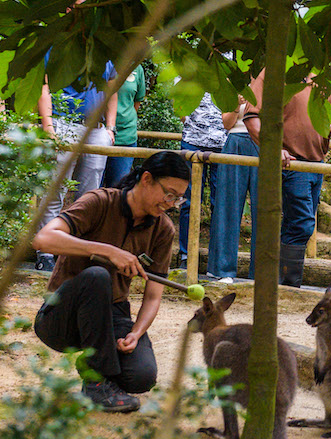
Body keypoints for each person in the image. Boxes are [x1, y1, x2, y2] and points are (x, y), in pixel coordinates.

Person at [32, 151, 191, 412]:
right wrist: (107, 251)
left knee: (141, 376)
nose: (171, 203)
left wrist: (136, 333)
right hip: (61, 315)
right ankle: (96, 383)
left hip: (112, 313)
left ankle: (97, 364)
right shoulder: (100, 201)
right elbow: (44, 240)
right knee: (97, 276)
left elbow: (153, 297)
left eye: (177, 198)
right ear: (147, 179)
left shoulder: (163, 229)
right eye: (169, 194)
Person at [244, 69, 331, 288]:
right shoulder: (273, 69)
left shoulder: (318, 74)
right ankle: (288, 285)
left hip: (316, 161)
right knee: (301, 224)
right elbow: (252, 117)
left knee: (294, 223)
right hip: (292, 162)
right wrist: (272, 147)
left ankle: (280, 285)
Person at [36, 34, 118, 272]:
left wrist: (111, 127)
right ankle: (46, 251)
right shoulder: (57, 45)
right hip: (63, 122)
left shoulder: (104, 48)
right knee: (55, 187)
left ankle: (79, 251)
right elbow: (44, 84)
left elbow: (112, 88)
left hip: (96, 127)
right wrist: (48, 126)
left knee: (89, 194)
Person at [176, 93, 228, 279]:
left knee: (219, 203)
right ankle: (186, 255)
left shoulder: (228, 71)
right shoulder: (189, 70)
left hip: (221, 143)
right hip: (191, 141)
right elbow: (179, 106)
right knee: (188, 202)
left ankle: (217, 259)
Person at [208, 96, 259, 281]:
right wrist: (237, 104)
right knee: (228, 205)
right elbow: (227, 123)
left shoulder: (272, 80)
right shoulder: (235, 81)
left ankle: (261, 272)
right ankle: (223, 269)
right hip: (236, 140)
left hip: (264, 141)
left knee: (264, 208)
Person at [101, 64, 146, 187]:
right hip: (98, 131)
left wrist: (124, 118)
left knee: (118, 189)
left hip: (126, 136)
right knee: (92, 188)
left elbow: (137, 101)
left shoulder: (138, 68)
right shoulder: (101, 61)